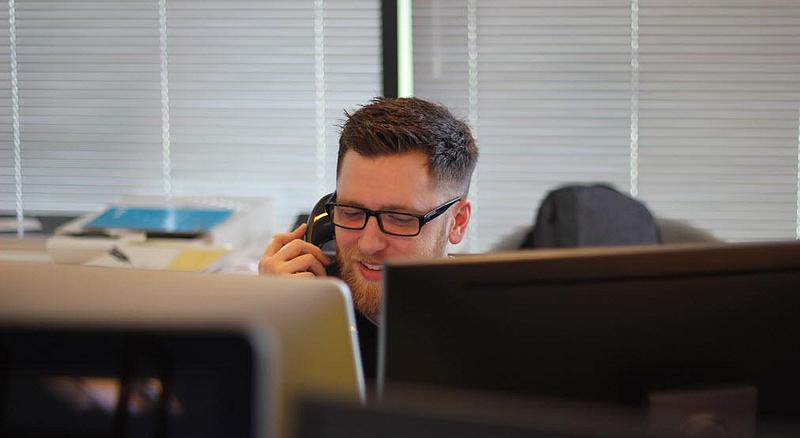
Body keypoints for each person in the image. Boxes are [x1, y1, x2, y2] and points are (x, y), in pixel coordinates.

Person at [259, 97, 478, 380]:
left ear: (457, 222)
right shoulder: (302, 308)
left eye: (400, 218)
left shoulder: (491, 337)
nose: (368, 244)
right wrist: (266, 319)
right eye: (351, 212)